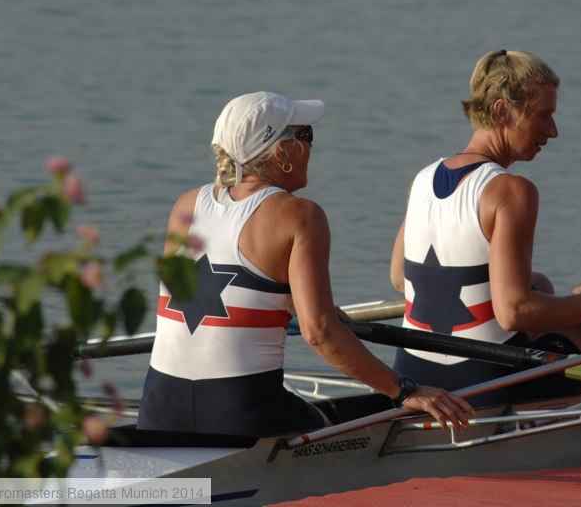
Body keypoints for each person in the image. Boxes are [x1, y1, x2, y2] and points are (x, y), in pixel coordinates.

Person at [138, 91, 473, 436]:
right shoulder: (299, 215)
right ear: (282, 151)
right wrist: (406, 391)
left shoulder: (187, 205)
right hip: (241, 413)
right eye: (306, 136)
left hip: (159, 408)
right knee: (341, 432)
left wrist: (307, 307)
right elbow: (320, 333)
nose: (312, 147)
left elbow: (234, 292)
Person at [390, 50, 581, 406]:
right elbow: (513, 311)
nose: (553, 131)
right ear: (503, 112)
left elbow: (400, 278)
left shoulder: (423, 177)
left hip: (414, 374)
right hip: (487, 383)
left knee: (541, 284)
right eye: (543, 115)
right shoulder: (512, 191)